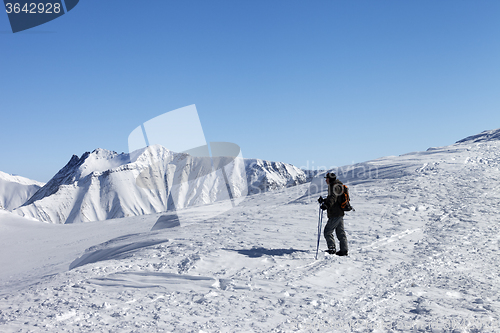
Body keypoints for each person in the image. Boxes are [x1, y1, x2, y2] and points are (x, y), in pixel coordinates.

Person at [318, 172, 348, 256]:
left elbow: (333, 198)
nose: (325, 180)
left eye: (326, 179)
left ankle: (332, 249)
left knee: (327, 232)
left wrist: (326, 205)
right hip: (339, 213)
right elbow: (333, 197)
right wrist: (324, 200)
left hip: (335, 213)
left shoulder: (334, 187)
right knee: (340, 232)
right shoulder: (337, 186)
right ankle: (344, 250)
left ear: (330, 179)